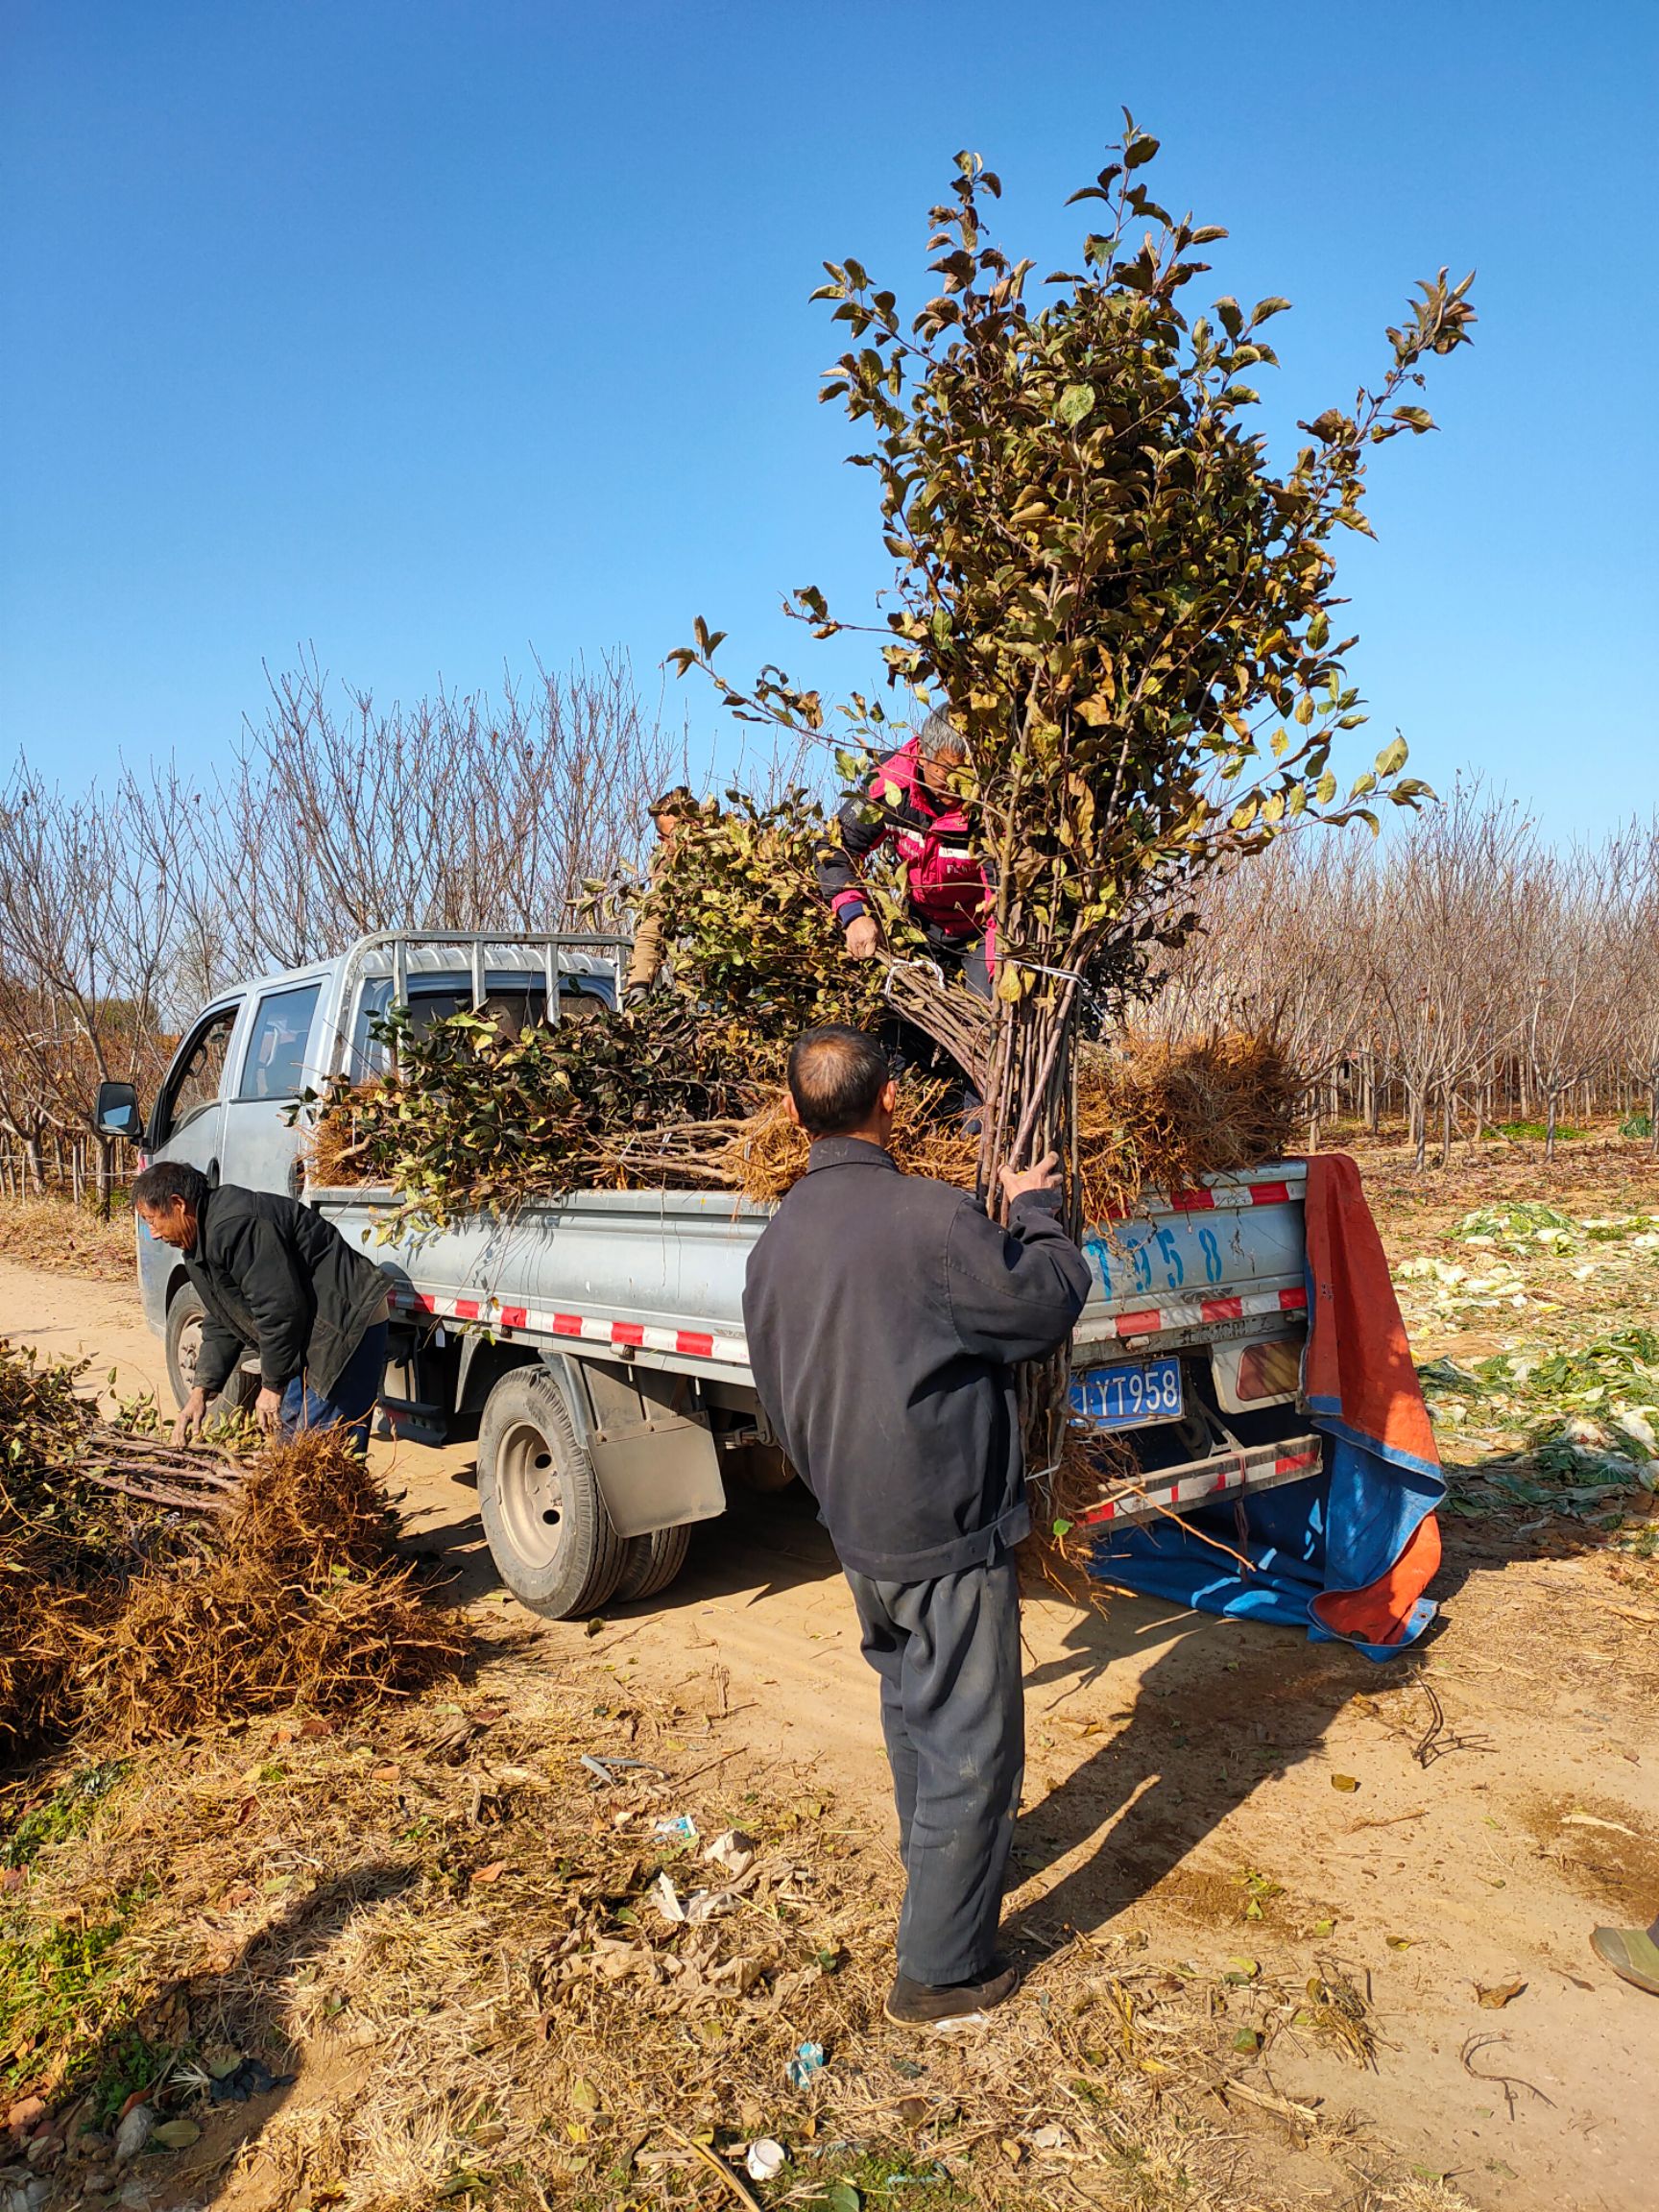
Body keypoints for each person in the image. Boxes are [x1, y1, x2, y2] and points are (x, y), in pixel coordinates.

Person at [742, 1026, 1091, 2028]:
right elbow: (1040, 1307)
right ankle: (939, 1974)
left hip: (857, 1526)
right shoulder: (930, 1222)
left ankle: (934, 1872)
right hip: (941, 1524)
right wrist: (1036, 1212)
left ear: (794, 1114)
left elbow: (779, 1396)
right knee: (973, 1743)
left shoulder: (775, 1246)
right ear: (890, 1100)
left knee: (912, 1711)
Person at [132, 1161, 392, 1450]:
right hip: (309, 1330)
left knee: (316, 1454)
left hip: (343, 1323)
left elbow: (279, 1308)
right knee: (296, 1449)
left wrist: (271, 1385)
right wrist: (200, 1391)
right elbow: (222, 1320)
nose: (153, 1232)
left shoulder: (236, 1225)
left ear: (178, 1204)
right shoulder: (197, 1244)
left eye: (152, 1219)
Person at [815, 710, 993, 999]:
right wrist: (854, 914)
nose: (960, 787)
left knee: (984, 1017)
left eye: (968, 775)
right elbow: (834, 847)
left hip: (981, 929)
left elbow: (1004, 893)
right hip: (918, 924)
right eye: (948, 772)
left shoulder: (990, 804)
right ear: (923, 754)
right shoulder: (887, 783)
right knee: (899, 1021)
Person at [624, 784, 698, 1004]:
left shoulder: (735, 846)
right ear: (663, 840)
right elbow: (654, 925)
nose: (686, 836)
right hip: (710, 971)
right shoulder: (667, 871)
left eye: (689, 825)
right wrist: (639, 983)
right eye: (677, 831)